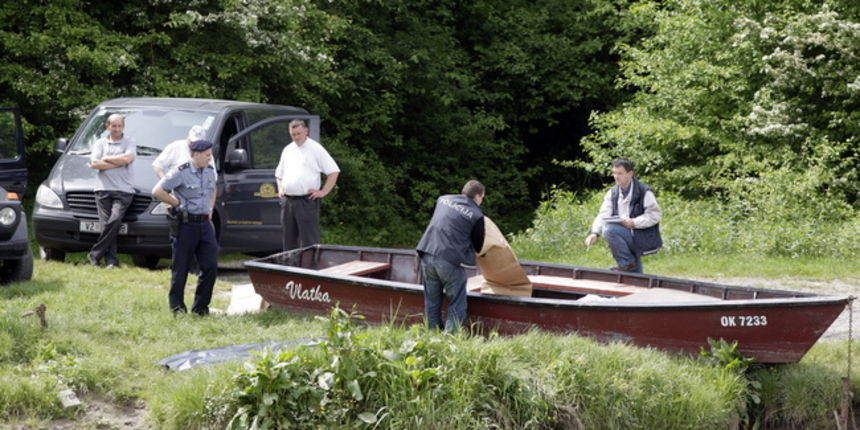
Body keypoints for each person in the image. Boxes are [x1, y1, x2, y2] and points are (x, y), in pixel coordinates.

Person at [151, 140, 218, 315]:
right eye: (207, 155)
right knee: (181, 268)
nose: (210, 157)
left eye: (210, 154)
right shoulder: (181, 172)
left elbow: (213, 189)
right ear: (196, 155)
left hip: (205, 224)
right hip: (185, 225)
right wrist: (174, 202)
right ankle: (177, 308)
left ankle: (201, 308)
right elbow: (157, 191)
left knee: (210, 266)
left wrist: (210, 209)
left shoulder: (209, 170)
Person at [416, 180, 486, 332]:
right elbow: (479, 245)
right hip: (450, 261)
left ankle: (431, 335)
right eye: (482, 198)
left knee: (432, 300)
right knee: (457, 301)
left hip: (427, 252)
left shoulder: (443, 199)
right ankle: (449, 341)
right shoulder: (477, 215)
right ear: (479, 196)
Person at [584, 158, 662, 273]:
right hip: (626, 236)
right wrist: (595, 233)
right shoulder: (612, 192)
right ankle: (633, 274)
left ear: (630, 174)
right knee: (634, 273)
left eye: (620, 173)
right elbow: (603, 215)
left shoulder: (644, 191)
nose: (616, 176)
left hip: (643, 236)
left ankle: (626, 263)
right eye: (614, 173)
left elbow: (655, 215)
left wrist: (634, 222)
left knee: (610, 230)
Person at [274, 119, 340, 251]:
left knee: (309, 240)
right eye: (293, 134)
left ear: (306, 131)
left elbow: (334, 171)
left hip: (306, 200)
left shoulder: (316, 149)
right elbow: (278, 174)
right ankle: (290, 269)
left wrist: (323, 192)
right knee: (289, 239)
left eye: (299, 133)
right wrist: (280, 188)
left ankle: (310, 269)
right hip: (288, 201)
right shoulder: (288, 149)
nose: (296, 137)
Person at [87, 114, 136, 268]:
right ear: (108, 126)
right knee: (106, 224)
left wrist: (106, 159)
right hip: (103, 189)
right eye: (113, 126)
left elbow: (127, 159)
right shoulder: (100, 143)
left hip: (124, 190)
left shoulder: (130, 142)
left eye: (119, 126)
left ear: (123, 127)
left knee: (114, 221)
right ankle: (111, 261)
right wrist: (118, 162)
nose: (116, 129)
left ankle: (94, 254)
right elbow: (95, 163)